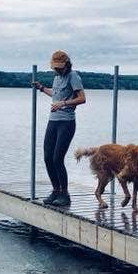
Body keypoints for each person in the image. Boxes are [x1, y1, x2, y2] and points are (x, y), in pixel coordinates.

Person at [32, 50, 86, 206]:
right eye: (55, 68)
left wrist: (63, 104)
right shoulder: (56, 78)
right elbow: (56, 95)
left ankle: (65, 194)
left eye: (60, 68)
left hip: (66, 122)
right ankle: (56, 191)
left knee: (57, 158)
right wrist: (42, 88)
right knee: (48, 157)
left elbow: (82, 98)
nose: (58, 70)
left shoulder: (73, 76)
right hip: (53, 121)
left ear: (67, 65)